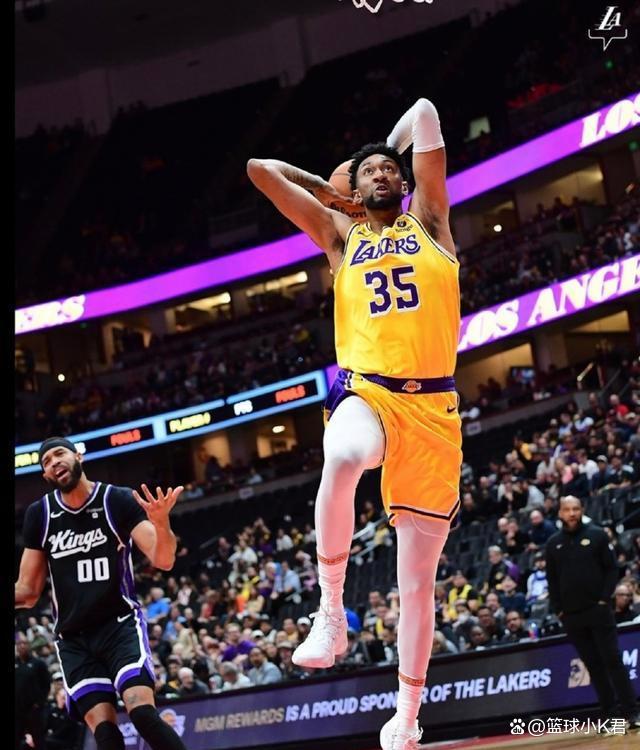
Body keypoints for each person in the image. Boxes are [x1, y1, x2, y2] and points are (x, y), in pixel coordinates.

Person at [248, 95, 461, 750]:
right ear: (354, 190)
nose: (381, 174)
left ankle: (407, 714)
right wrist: (328, 189)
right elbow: (260, 171)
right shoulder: (340, 237)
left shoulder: (431, 221)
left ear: (404, 181)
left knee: (416, 584)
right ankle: (331, 610)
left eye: (389, 169)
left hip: (434, 410)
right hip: (370, 392)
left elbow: (425, 111)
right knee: (340, 456)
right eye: (369, 171)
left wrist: (388, 148)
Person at [14, 437, 189, 750]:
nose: (54, 462)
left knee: (142, 713)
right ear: (45, 475)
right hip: (74, 638)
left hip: (119, 625)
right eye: (47, 462)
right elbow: (27, 592)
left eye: (59, 454)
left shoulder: (116, 499)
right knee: (106, 735)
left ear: (78, 456)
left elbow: (163, 559)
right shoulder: (40, 514)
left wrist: (161, 523)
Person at [545, 496, 640, 729]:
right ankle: (610, 716)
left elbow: (612, 569)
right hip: (572, 616)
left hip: (598, 611)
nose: (572, 513)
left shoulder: (597, 535)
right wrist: (559, 610)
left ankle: (632, 712)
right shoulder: (553, 543)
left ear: (582, 510)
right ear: (560, 513)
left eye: (576, 509)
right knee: (593, 666)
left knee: (613, 660)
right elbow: (552, 580)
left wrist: (603, 599)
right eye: (567, 509)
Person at [15, 633, 50, 749]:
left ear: (29, 646)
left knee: (39, 740)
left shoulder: (38, 664)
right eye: (19, 644)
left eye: (24, 643)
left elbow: (46, 685)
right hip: (17, 710)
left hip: (33, 710)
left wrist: (39, 703)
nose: (22, 646)